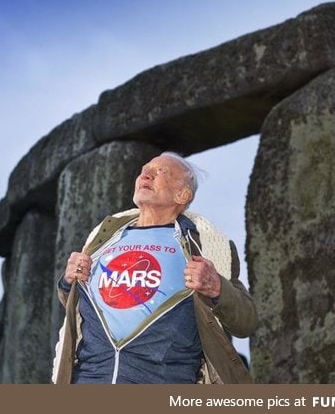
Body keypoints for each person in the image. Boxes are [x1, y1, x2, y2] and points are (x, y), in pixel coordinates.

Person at [52, 151, 258, 384]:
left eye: (160, 172)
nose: (145, 175)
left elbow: (246, 321)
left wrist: (217, 286)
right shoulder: (103, 238)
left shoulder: (206, 246)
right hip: (89, 380)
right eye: (144, 170)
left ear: (182, 194)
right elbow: (82, 305)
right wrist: (68, 281)